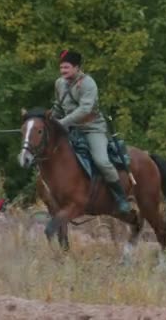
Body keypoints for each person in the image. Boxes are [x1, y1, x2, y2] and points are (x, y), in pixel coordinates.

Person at [51, 49, 131, 214]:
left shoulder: (88, 83)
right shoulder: (59, 83)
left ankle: (121, 198)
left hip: (92, 128)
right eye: (61, 68)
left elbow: (85, 109)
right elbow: (58, 107)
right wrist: (49, 121)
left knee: (101, 161)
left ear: (77, 68)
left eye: (66, 67)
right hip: (70, 129)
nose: (63, 71)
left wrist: (62, 123)